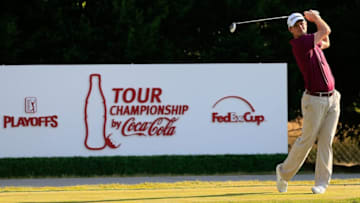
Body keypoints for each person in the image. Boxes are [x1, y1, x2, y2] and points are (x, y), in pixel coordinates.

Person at [276, 10, 341, 194]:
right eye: (296, 24)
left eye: (303, 22)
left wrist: (316, 21)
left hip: (332, 98)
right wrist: (316, 17)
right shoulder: (300, 43)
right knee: (307, 140)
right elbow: (325, 29)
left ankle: (321, 183)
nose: (301, 25)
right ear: (291, 30)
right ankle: (283, 172)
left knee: (326, 141)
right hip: (314, 101)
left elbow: (326, 40)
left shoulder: (312, 42)